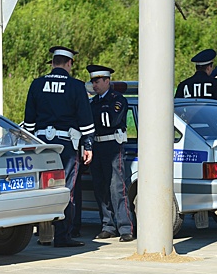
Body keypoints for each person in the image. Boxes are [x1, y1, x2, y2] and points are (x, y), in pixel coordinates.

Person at [23, 45, 95, 248]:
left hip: (41, 145)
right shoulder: (76, 86)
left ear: (53, 63)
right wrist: (88, 145)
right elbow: (85, 121)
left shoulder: (37, 84)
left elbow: (28, 121)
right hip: (65, 146)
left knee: (44, 189)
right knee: (66, 189)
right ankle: (63, 236)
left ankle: (44, 234)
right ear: (69, 63)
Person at [88, 64, 135, 242]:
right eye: (93, 81)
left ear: (108, 81)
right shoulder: (94, 102)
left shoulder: (117, 99)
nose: (95, 85)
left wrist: (95, 114)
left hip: (113, 147)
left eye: (98, 81)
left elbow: (109, 120)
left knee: (117, 188)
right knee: (100, 187)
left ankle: (125, 228)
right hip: (97, 147)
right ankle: (107, 225)